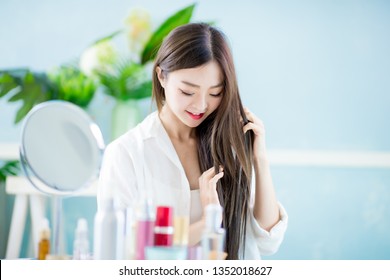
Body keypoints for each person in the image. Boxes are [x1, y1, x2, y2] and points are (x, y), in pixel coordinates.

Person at [98, 23, 288, 260]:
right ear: (162, 77)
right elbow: (124, 251)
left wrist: (260, 160)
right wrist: (208, 220)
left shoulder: (229, 145)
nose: (200, 106)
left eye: (215, 93)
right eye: (188, 91)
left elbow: (268, 241)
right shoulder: (126, 153)